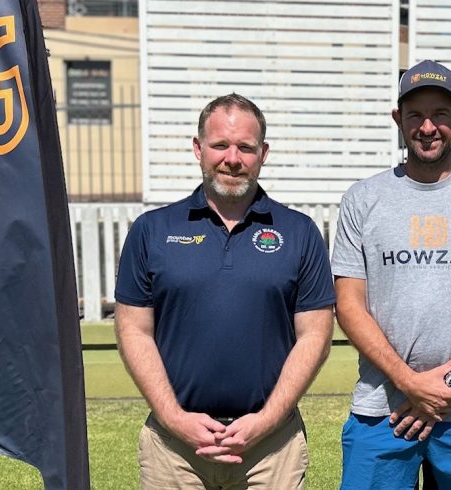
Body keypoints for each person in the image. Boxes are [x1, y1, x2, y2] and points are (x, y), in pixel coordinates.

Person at [114, 94, 335, 489]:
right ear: (198, 149)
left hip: (271, 449)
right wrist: (175, 418)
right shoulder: (152, 231)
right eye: (220, 145)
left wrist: (264, 422)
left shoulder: (299, 233)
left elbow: (316, 336)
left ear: (263, 153)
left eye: (246, 148)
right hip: (174, 449)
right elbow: (134, 331)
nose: (232, 158)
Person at [331, 60, 451, 489]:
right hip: (381, 410)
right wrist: (409, 383)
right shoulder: (362, 198)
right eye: (415, 114)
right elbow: (348, 305)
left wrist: (450, 382)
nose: (427, 127)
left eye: (440, 114)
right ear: (397, 118)